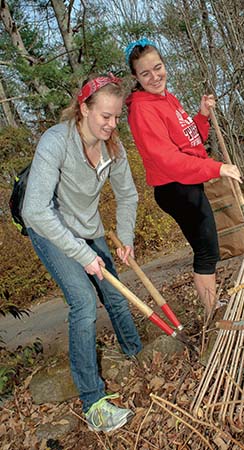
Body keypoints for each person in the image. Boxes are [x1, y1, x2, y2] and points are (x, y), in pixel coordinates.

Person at [22, 73, 142, 433]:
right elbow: (35, 211)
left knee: (116, 296)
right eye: (105, 116)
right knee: (84, 303)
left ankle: (135, 354)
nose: (111, 124)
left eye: (116, 117)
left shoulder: (113, 148)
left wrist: (125, 237)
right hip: (49, 229)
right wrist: (83, 256)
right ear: (83, 108)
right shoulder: (55, 141)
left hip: (88, 228)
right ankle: (93, 403)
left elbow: (129, 195)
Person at [125, 38, 242, 317]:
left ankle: (214, 306)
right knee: (206, 250)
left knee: (209, 247)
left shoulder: (167, 98)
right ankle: (214, 312)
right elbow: (169, 160)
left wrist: (201, 116)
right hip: (175, 187)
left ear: (164, 65)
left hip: (186, 182)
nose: (155, 77)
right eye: (145, 73)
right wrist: (217, 168)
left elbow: (192, 143)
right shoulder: (142, 109)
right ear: (136, 78)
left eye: (158, 68)